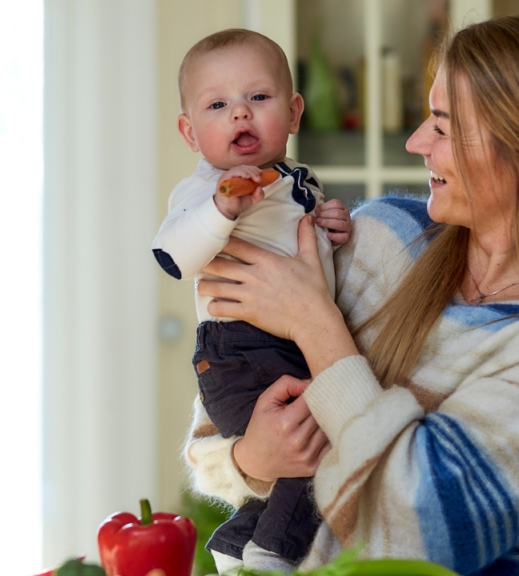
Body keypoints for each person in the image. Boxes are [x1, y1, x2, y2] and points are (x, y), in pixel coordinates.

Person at [184, 12, 519, 574]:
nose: (419, 142)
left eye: (443, 127)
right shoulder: (381, 236)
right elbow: (216, 419)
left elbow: (415, 538)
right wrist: (250, 459)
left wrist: (315, 324)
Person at [151, 29, 352, 572]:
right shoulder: (205, 189)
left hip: (288, 343)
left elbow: (303, 252)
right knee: (327, 439)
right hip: (240, 351)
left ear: (293, 112)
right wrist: (220, 210)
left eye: (258, 99)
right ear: (190, 133)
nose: (240, 114)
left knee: (311, 449)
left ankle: (237, 541)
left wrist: (327, 228)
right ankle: (273, 554)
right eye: (219, 105)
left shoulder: (294, 178)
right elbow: (172, 256)